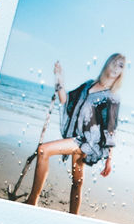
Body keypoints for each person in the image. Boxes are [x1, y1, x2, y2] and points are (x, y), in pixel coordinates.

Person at [24, 54, 125, 214]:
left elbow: (110, 129)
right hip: (76, 138)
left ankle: (31, 202)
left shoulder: (111, 98)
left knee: (43, 150)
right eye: (113, 63)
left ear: (121, 72)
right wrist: (59, 77)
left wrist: (109, 159)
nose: (115, 67)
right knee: (77, 182)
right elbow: (65, 100)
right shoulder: (88, 85)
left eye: (120, 65)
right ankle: (74, 216)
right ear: (107, 64)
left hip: (90, 143)